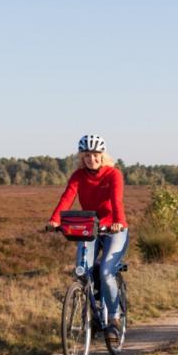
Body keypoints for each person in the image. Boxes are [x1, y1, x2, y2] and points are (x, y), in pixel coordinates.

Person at [48, 134, 129, 342]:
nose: (91, 159)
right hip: (90, 227)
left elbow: (116, 200)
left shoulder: (113, 174)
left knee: (105, 271)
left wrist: (118, 221)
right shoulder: (78, 175)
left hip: (114, 228)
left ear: (102, 155)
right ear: (81, 157)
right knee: (83, 270)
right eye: (86, 155)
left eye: (95, 155)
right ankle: (90, 313)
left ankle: (113, 319)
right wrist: (55, 220)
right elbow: (67, 197)